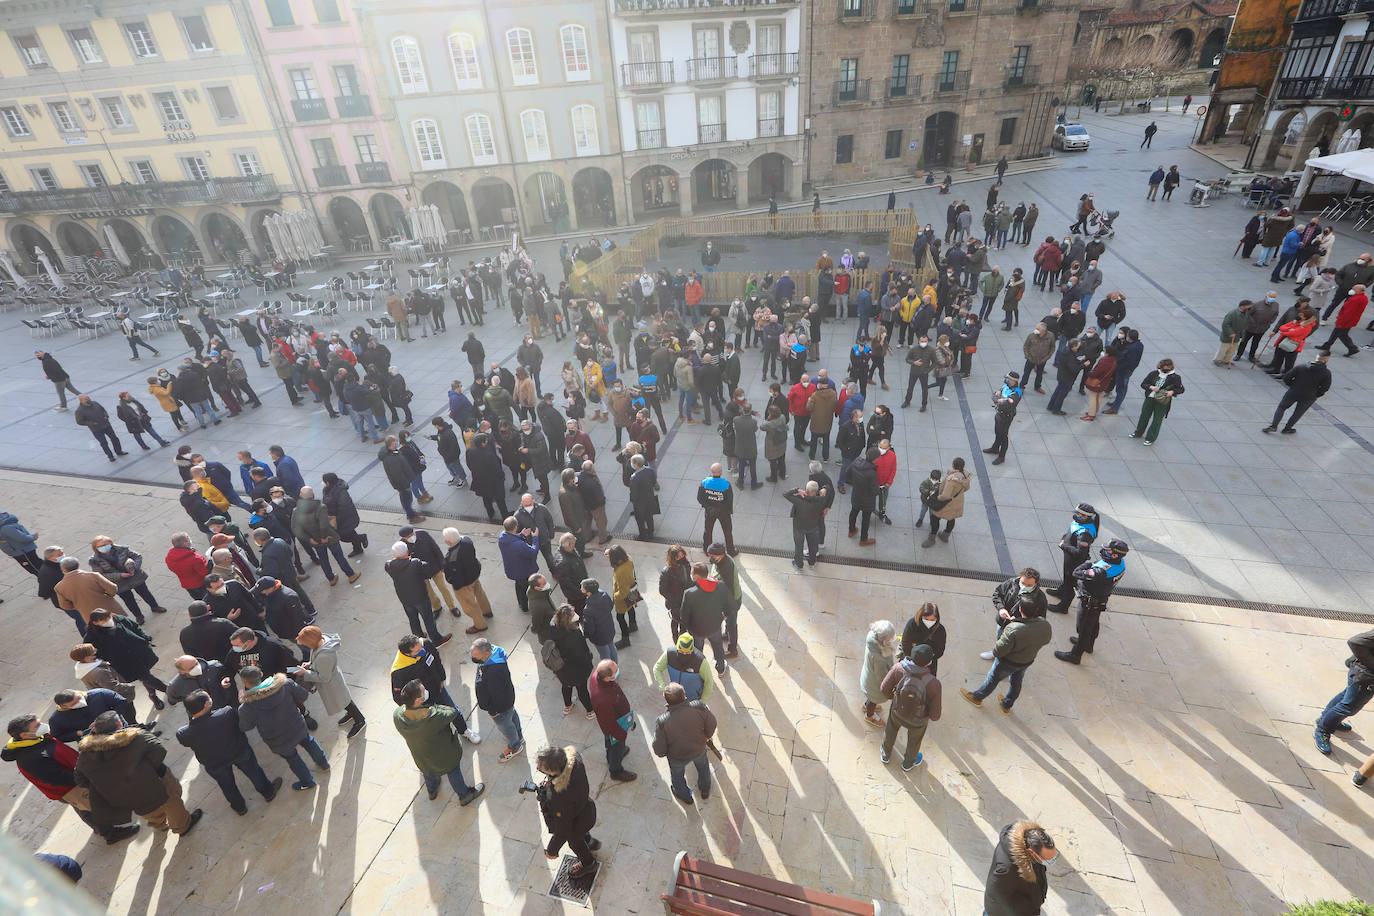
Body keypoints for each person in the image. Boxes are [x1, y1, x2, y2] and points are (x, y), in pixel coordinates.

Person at [3, 713, 141, 845]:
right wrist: (85, 777)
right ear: (24, 735)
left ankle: (99, 828)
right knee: (93, 806)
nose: (43, 726)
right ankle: (110, 834)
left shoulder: (34, 738)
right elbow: (57, 778)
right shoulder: (29, 758)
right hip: (70, 787)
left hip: (75, 776)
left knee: (83, 808)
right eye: (37, 725)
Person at [75, 711, 203, 836]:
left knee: (148, 811)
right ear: (119, 723)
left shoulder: (85, 755)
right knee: (172, 803)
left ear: (96, 730)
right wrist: (146, 770)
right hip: (156, 783)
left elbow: (80, 779)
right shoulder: (136, 737)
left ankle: (161, 826)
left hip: (125, 796)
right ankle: (182, 827)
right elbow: (159, 751)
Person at [175, 691, 281, 815]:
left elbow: (187, 742)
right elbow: (240, 721)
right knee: (254, 772)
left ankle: (240, 808)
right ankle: (268, 792)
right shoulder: (226, 713)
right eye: (209, 698)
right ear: (206, 704)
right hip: (239, 752)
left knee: (227, 786)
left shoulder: (183, 733)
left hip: (214, 763)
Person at [237, 665, 330, 791]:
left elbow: (246, 726)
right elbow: (303, 696)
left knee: (293, 759)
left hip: (278, 740)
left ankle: (308, 782)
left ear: (244, 682)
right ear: (262, 674)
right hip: (297, 726)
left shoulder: (247, 706)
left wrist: (242, 702)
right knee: (309, 742)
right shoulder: (285, 684)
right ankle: (324, 764)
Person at [393, 678, 486, 804]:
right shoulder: (434, 716)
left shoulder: (398, 715)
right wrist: (432, 707)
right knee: (453, 770)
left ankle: (432, 790)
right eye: (423, 691)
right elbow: (451, 712)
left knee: (428, 770)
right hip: (443, 753)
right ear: (418, 701)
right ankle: (464, 795)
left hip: (421, 755)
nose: (426, 691)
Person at [962, 595, 1053, 713]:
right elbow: (1046, 640)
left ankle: (977, 697)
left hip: (1008, 661)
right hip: (1027, 661)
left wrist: (1013, 625)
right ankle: (1007, 705)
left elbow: (998, 651)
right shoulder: (1044, 624)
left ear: (1020, 609)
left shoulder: (1013, 629)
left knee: (992, 679)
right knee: (1016, 683)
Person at [1055, 537, 1129, 665]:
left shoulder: (1101, 571)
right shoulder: (1119, 563)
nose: (1103, 551)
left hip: (1089, 602)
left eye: (1108, 550)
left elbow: (1077, 573)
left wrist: (1087, 565)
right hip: (1099, 600)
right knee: (1093, 624)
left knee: (1083, 628)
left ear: (1115, 555)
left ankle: (1075, 654)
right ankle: (1088, 645)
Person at [532, 745, 601, 878]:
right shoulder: (576, 760)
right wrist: (551, 782)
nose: (538, 769)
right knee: (582, 833)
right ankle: (591, 842)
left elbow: (563, 829)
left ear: (553, 771)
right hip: (586, 809)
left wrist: (552, 850)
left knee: (576, 843)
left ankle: (589, 864)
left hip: (575, 824)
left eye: (541, 768)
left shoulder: (559, 797)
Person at [85, 609, 169, 710]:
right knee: (146, 677)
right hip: (124, 662)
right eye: (104, 619)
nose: (108, 619)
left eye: (108, 616)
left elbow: (135, 627)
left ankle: (153, 695)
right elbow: (91, 651)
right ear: (95, 622)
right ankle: (169, 691)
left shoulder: (119, 619)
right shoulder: (92, 636)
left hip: (139, 653)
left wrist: (145, 638)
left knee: (146, 676)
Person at [652, 682, 718, 805]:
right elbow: (712, 723)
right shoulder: (699, 707)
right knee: (703, 768)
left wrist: (666, 753)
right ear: (685, 696)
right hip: (699, 749)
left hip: (677, 756)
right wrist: (706, 737)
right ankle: (705, 790)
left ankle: (685, 796)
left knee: (677, 777)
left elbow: (659, 749)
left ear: (665, 699)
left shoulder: (662, 721)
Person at [878, 643, 941, 770]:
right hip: (918, 720)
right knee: (914, 741)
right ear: (929, 663)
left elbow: (884, 689)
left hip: (897, 712)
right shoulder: (933, 683)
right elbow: (935, 715)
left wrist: (895, 699)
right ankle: (908, 763)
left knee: (891, 730)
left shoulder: (898, 668)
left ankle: (886, 753)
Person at [1313, 625, 1374, 755]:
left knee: (1347, 696)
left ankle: (1326, 718)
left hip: (1363, 675)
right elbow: (1355, 642)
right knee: (1349, 707)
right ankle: (1323, 730)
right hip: (1364, 676)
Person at [296, 626, 365, 739]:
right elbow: (317, 659)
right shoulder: (321, 642)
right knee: (344, 699)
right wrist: (309, 664)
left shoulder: (324, 656)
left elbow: (324, 678)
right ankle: (352, 714)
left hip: (332, 684)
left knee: (345, 700)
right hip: (333, 681)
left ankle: (359, 720)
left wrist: (305, 673)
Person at [386, 541, 451, 646]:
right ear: (407, 552)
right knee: (428, 619)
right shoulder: (415, 563)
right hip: (420, 597)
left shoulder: (388, 565)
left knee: (413, 619)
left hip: (405, 598)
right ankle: (436, 639)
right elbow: (427, 572)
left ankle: (419, 639)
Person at [984, 822, 1056, 916]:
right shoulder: (1007, 869)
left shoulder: (1030, 847)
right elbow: (996, 899)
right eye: (1047, 859)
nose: (1050, 861)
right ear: (1031, 852)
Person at [292, 486, 359, 587]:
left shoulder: (296, 511)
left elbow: (296, 529)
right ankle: (351, 575)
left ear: (301, 495)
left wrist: (309, 539)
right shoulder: (320, 507)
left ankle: (331, 578)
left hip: (315, 540)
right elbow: (324, 525)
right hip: (329, 537)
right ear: (313, 495)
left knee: (323, 560)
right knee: (339, 557)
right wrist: (324, 537)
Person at [471, 638, 524, 761]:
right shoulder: (493, 656)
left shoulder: (493, 671)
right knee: (512, 716)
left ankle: (515, 746)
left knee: (505, 725)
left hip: (500, 707)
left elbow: (497, 694)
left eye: (475, 655)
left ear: (487, 654)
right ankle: (519, 736)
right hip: (507, 702)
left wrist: (494, 711)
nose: (472, 657)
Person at [587, 659, 637, 782]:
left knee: (612, 744)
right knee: (616, 747)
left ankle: (612, 756)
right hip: (615, 727)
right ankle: (615, 771)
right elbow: (609, 724)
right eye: (615, 671)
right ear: (607, 677)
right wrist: (621, 734)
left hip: (619, 719)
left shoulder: (596, 675)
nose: (618, 671)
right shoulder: (603, 699)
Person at [1048, 503, 1099, 614]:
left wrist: (1063, 545)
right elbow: (1070, 531)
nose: (1076, 515)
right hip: (1068, 555)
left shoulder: (1085, 534)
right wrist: (1064, 538)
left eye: (1079, 513)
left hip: (1074, 560)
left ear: (1086, 516)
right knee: (1066, 577)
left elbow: (1080, 553)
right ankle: (1061, 591)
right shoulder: (1079, 521)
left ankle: (1063, 607)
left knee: (1071, 582)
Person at [680, 562, 730, 674]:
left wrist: (690, 629)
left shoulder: (689, 593)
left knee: (697, 651)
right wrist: (722, 617)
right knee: (718, 647)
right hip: (715, 626)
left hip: (697, 630)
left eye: (692, 574)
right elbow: (728, 604)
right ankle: (721, 668)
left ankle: (699, 671)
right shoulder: (721, 586)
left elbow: (684, 616)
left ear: (696, 577)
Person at [1263, 352, 1332, 434]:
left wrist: (1292, 386)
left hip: (1294, 391)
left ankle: (1273, 426)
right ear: (1326, 359)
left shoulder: (1301, 367)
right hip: (1309, 395)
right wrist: (1316, 394)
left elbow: (1287, 377)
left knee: (1282, 407)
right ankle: (1287, 428)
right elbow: (1325, 387)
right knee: (1298, 412)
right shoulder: (1326, 373)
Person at [442, 528, 494, 631]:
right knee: (480, 594)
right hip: (474, 574)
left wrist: (451, 579)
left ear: (448, 542)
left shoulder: (453, 558)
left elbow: (454, 576)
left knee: (469, 605)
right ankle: (487, 611)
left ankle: (480, 625)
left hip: (464, 583)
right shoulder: (467, 540)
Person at [1129, 358, 1184, 445]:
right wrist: (1151, 387)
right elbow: (1143, 384)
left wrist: (1172, 392)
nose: (1165, 370)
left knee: (1157, 420)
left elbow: (1181, 389)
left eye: (1167, 368)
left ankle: (1151, 438)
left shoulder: (1175, 377)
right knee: (1144, 416)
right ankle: (1138, 432)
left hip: (1162, 401)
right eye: (1164, 368)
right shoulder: (1154, 373)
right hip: (1150, 398)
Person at [922, 457, 970, 548]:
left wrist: (938, 498)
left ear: (953, 465)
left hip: (947, 504)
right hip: (957, 502)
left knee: (935, 518)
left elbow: (945, 496)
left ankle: (931, 539)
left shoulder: (952, 480)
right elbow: (967, 488)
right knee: (951, 519)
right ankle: (945, 535)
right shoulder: (966, 475)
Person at [497, 517, 539, 616]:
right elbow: (533, 552)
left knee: (518, 586)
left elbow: (513, 538)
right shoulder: (519, 545)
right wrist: (535, 538)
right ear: (516, 527)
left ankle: (520, 603)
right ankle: (524, 607)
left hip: (513, 569)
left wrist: (521, 535)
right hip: (523, 571)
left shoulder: (502, 537)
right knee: (525, 590)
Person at [859, 620, 898, 728]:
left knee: (871, 699)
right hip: (874, 685)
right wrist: (890, 689)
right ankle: (869, 715)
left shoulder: (872, 638)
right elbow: (883, 678)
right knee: (873, 699)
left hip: (869, 678)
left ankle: (867, 705)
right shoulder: (879, 658)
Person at [1315, 284, 1368, 357]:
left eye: (1354, 289)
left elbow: (1348, 312)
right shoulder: (1363, 298)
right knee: (1336, 332)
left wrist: (1341, 321)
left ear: (1359, 290)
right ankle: (1327, 345)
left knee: (1342, 334)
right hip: (1351, 320)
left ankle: (1352, 348)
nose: (1352, 290)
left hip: (1346, 320)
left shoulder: (1355, 299)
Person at [783, 480, 826, 570]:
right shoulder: (821, 500)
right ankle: (812, 563)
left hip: (799, 527)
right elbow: (830, 490)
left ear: (806, 490)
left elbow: (785, 494)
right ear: (816, 491)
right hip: (813, 527)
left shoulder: (799, 499)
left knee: (799, 546)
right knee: (813, 546)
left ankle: (799, 564)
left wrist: (797, 490)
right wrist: (825, 489)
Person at [697, 462, 738, 555]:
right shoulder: (726, 484)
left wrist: (707, 506)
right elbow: (729, 500)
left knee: (708, 530)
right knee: (727, 531)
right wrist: (729, 511)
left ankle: (707, 549)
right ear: (721, 472)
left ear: (711, 472)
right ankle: (731, 550)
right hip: (723, 512)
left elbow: (700, 498)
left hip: (710, 511)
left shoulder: (704, 483)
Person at [983, 371, 1023, 465]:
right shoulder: (1006, 386)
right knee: (997, 432)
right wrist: (999, 400)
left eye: (1008, 379)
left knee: (1003, 436)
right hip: (999, 414)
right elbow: (994, 395)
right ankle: (995, 448)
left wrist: (999, 400)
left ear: (1013, 381)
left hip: (1006, 417)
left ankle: (1002, 456)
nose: (1006, 380)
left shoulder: (1017, 392)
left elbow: (1006, 405)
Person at [74, 395, 127, 462]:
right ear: (81, 401)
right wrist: (92, 423)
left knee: (114, 438)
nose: (88, 400)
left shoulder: (95, 403)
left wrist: (106, 415)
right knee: (103, 442)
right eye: (86, 399)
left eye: (88, 398)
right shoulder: (79, 411)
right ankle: (110, 456)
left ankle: (119, 451)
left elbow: (103, 410)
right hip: (96, 429)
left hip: (106, 425)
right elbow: (79, 421)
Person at [899, 602, 946, 676]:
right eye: (926, 619)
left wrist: (927, 660)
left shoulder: (940, 630)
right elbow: (905, 644)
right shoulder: (912, 624)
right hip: (910, 662)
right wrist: (914, 658)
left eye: (932, 619)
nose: (929, 622)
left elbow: (940, 650)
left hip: (929, 665)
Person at [606, 545, 639, 649]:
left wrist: (614, 597)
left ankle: (625, 639)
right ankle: (633, 625)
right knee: (631, 607)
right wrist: (609, 553)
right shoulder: (628, 559)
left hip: (624, 597)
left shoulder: (620, 572)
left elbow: (623, 592)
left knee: (620, 617)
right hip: (633, 590)